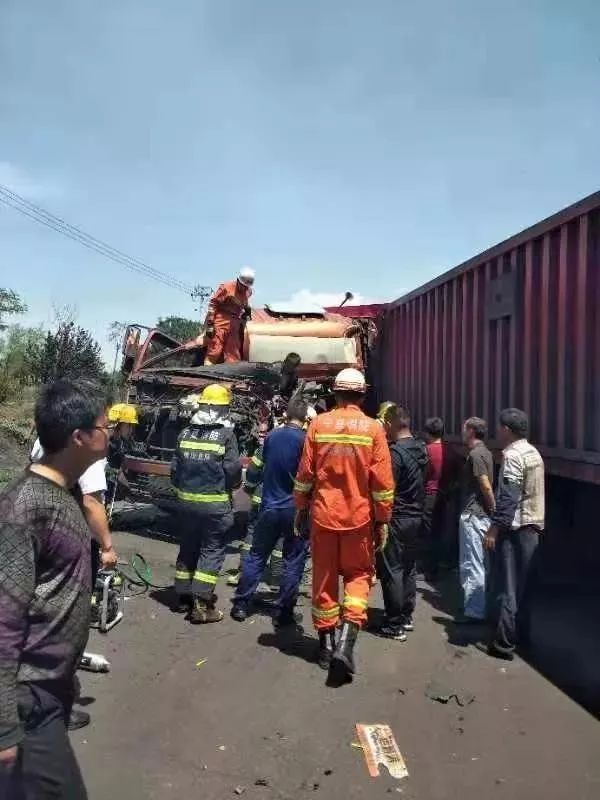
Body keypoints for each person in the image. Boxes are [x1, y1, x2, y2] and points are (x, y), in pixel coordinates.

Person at [0, 379, 109, 799]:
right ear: (79, 437)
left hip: (49, 691)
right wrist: (5, 725)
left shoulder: (63, 493)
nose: (111, 434)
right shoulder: (25, 507)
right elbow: (4, 622)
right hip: (25, 699)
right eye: (104, 427)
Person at [293, 368, 394, 685]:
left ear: (334, 394)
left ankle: (325, 648)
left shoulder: (318, 425)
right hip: (358, 520)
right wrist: (382, 520)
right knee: (359, 577)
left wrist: (300, 509)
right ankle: (346, 644)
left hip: (323, 518)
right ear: (363, 395)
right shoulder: (373, 429)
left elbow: (305, 474)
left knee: (323, 581)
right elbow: (382, 485)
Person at [231, 397, 311, 626]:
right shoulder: (306, 441)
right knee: (292, 561)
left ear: (286, 415)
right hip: (295, 512)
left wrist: (251, 484)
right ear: (305, 419)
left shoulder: (273, 437)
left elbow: (256, 469)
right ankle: (284, 613)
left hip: (269, 508)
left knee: (256, 556)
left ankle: (241, 605)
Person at [171, 384, 241, 623]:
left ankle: (181, 598)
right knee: (211, 550)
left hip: (185, 504)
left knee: (188, 546)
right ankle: (201, 605)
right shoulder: (226, 435)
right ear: (222, 409)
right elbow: (232, 471)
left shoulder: (184, 434)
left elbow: (174, 471)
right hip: (214, 506)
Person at [482, 408, 545, 660]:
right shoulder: (534, 453)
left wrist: (494, 529)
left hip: (515, 529)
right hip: (533, 528)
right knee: (525, 586)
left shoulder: (513, 455)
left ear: (507, 430)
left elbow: (508, 496)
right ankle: (523, 638)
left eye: (500, 428)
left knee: (508, 587)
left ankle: (503, 644)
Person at [374, 406, 428, 641]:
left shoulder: (395, 453)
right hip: (416, 517)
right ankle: (406, 616)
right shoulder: (421, 448)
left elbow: (387, 488)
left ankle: (393, 622)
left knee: (392, 569)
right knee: (409, 568)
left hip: (397, 518)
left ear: (393, 424)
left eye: (386, 424)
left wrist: (379, 519)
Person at [457, 417, 495, 624]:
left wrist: (495, 510)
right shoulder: (486, 452)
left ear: (471, 431)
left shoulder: (476, 454)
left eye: (464, 429)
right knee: (477, 562)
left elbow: (485, 485)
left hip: (474, 515)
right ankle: (475, 605)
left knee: (473, 563)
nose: (463, 433)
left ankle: (474, 611)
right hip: (479, 515)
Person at [422, 416, 455, 580]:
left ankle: (429, 569)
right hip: (445, 494)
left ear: (428, 433)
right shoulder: (450, 450)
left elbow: (422, 475)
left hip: (429, 496)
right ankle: (444, 563)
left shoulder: (426, 450)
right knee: (441, 530)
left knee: (428, 533)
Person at [201, 266, 255, 365]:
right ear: (238, 281)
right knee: (215, 350)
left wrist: (247, 311)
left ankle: (232, 377)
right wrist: (210, 324)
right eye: (243, 285)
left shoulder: (248, 292)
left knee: (233, 354)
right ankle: (207, 371)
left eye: (246, 286)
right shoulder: (226, 287)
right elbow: (213, 304)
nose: (244, 288)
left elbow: (245, 303)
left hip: (235, 323)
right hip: (221, 320)